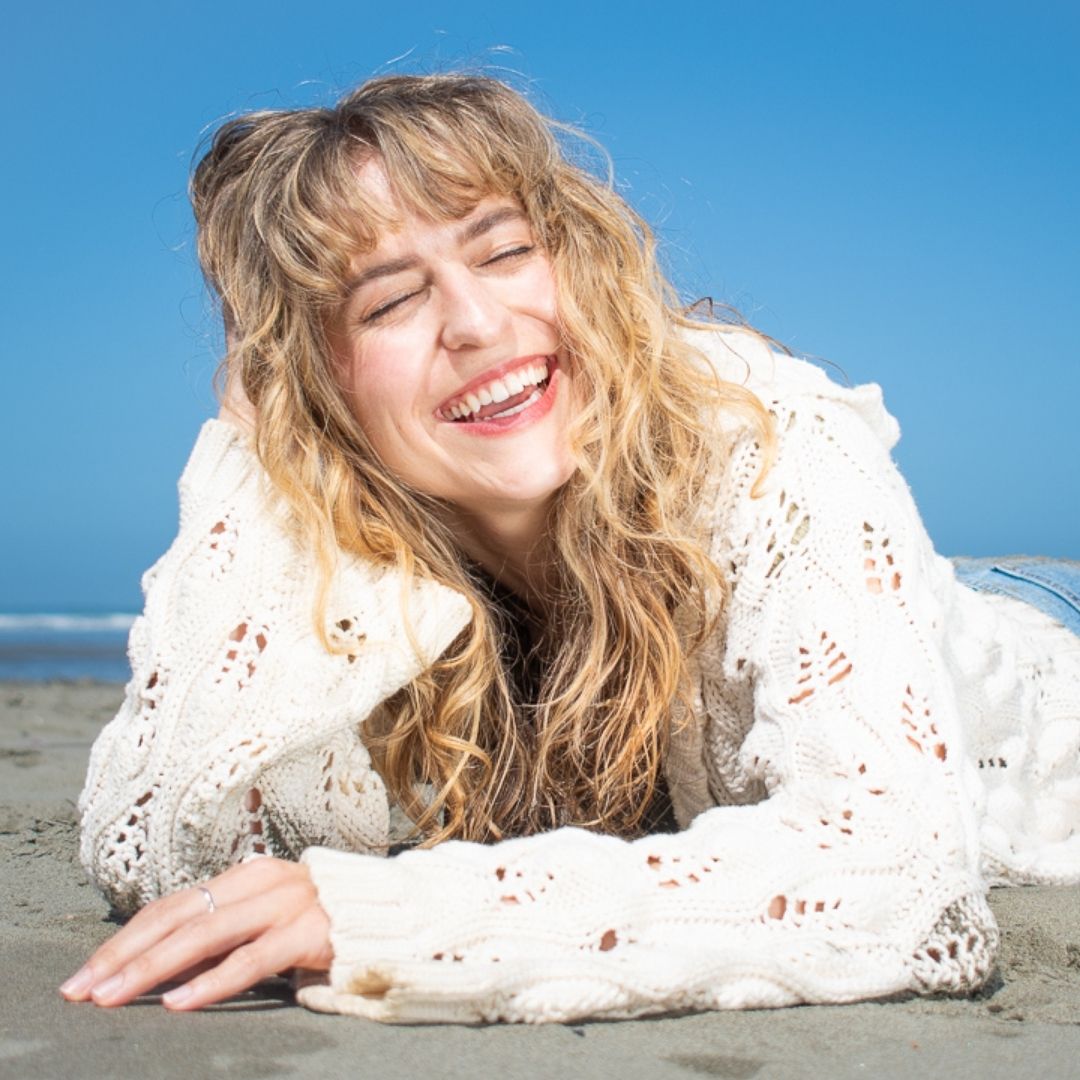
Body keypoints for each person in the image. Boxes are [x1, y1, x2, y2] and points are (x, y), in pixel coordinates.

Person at [60, 74, 1080, 1024]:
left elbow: (895, 876)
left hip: (1035, 654)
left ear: (576, 255)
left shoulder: (769, 438)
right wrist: (255, 453)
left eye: (504, 252)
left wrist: (404, 921)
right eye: (389, 301)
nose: (476, 321)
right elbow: (164, 846)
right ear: (318, 385)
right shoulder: (354, 539)